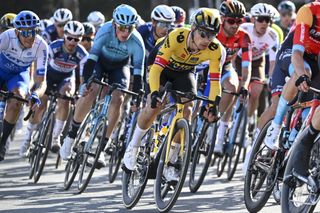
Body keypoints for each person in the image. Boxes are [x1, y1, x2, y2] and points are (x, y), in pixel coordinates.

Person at [123, 8, 224, 182]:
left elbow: (214, 82)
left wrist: (213, 105)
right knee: (154, 105)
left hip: (184, 72)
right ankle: (133, 145)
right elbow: (156, 69)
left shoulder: (216, 50)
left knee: (188, 108)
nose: (207, 40)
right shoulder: (177, 36)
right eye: (203, 34)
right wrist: (154, 93)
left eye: (212, 35)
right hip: (160, 66)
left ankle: (171, 160)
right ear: (193, 28)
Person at [59, 4, 145, 168]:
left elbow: (138, 74)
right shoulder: (105, 31)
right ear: (114, 24)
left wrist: (136, 97)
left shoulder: (137, 41)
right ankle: (71, 136)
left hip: (120, 67)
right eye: (122, 28)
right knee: (91, 91)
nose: (126, 32)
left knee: (118, 98)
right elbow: (91, 60)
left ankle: (103, 146)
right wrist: (85, 83)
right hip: (100, 63)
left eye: (130, 28)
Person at [19, 21, 88, 156]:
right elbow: (40, 68)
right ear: (64, 36)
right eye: (69, 38)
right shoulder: (53, 47)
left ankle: (56, 137)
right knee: (41, 104)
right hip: (49, 76)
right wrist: (37, 85)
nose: (72, 42)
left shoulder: (82, 54)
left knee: (66, 97)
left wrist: (80, 92)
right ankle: (27, 139)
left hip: (66, 78)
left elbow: (82, 77)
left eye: (76, 39)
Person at [265, 1, 320, 150]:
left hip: (314, 59)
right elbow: (297, 53)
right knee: (303, 73)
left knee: (315, 104)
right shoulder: (309, 11)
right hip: (293, 51)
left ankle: (297, 134)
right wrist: (301, 75)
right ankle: (275, 127)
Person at [0, 10, 48, 161]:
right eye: (26, 33)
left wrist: (35, 94)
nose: (31, 37)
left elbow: (41, 81)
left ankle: (2, 143)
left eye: (34, 31)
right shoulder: (7, 37)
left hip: (17, 75)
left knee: (18, 100)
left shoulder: (41, 46)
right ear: (17, 31)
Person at [235, 3, 279, 144]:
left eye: (268, 20)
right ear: (253, 19)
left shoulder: (273, 35)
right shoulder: (243, 29)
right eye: (261, 19)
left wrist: (271, 78)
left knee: (256, 91)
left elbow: (272, 62)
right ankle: (232, 120)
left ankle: (250, 119)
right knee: (235, 86)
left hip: (258, 62)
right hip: (239, 59)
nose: (264, 23)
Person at [212, 0, 252, 155]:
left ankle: (219, 135)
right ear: (222, 19)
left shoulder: (244, 36)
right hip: (206, 67)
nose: (235, 25)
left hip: (226, 67)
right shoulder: (214, 31)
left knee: (233, 89)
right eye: (231, 21)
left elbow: (246, 66)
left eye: (239, 21)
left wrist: (245, 86)